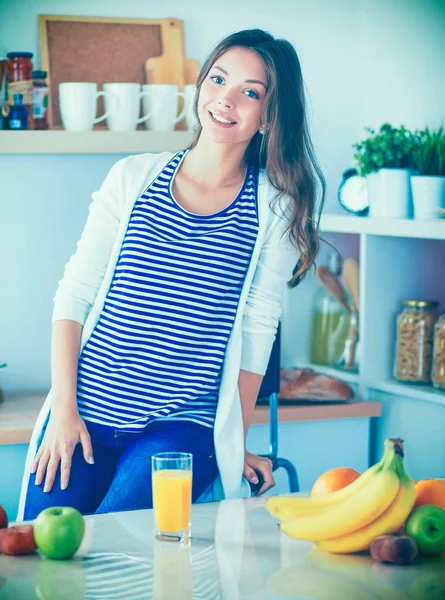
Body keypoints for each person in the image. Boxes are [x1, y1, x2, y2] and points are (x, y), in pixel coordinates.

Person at [18, 28, 325, 520]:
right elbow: (74, 295)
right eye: (218, 79)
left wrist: (231, 441)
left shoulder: (275, 209)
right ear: (201, 84)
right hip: (85, 412)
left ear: (269, 115)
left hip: (182, 428)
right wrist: (65, 411)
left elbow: (255, 330)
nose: (226, 100)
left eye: (250, 92)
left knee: (116, 560)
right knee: (42, 554)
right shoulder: (133, 177)